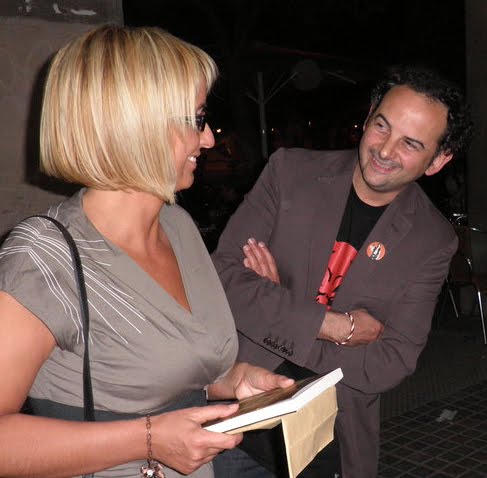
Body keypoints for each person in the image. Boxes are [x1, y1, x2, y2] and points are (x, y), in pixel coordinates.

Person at [0, 25, 294, 478]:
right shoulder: (43, 257)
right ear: (134, 126)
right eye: (196, 119)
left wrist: (233, 381)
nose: (209, 139)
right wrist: (149, 439)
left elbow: (166, 366)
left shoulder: (177, 226)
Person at [212, 66, 474, 478]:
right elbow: (224, 280)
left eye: (410, 143)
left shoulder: (432, 239)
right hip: (234, 427)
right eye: (382, 126)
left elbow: (390, 361)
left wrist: (277, 307)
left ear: (438, 161)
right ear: (368, 116)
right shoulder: (289, 173)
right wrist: (334, 326)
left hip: (333, 438)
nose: (385, 150)